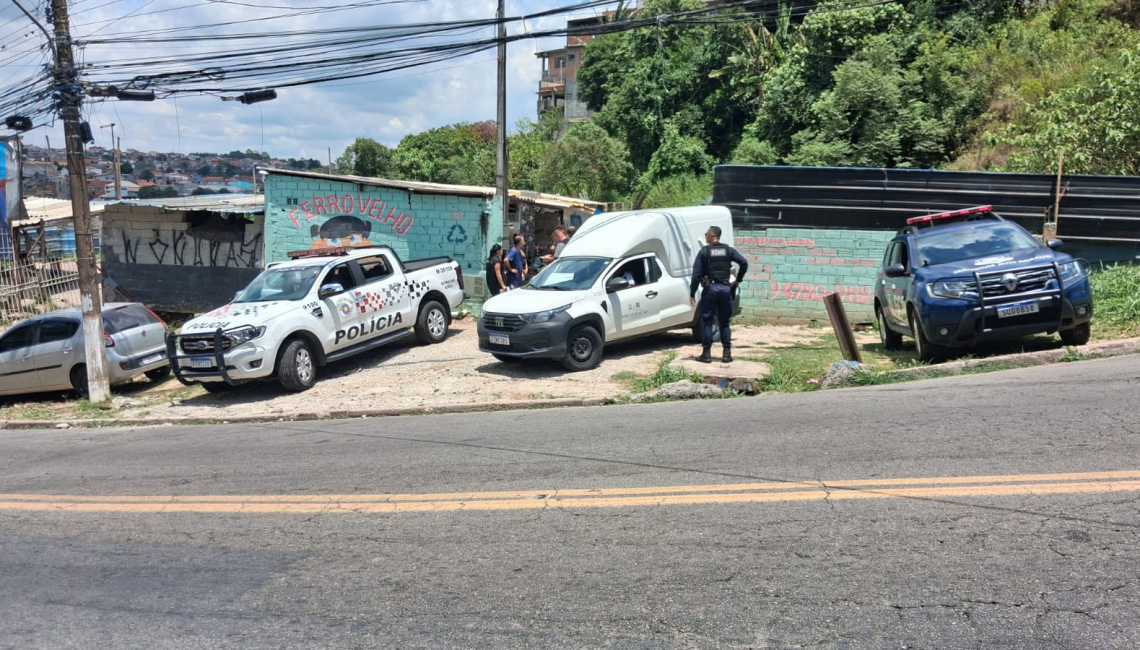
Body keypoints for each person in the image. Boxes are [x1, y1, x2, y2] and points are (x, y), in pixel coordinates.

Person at [689, 225, 748, 363]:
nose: (705, 235)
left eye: (706, 233)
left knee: (708, 322)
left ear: (711, 235)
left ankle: (706, 354)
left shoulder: (704, 251)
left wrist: (692, 293)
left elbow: (696, 275)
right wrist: (738, 280)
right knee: (724, 323)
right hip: (725, 289)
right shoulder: (728, 250)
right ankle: (726, 354)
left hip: (711, 289)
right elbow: (744, 263)